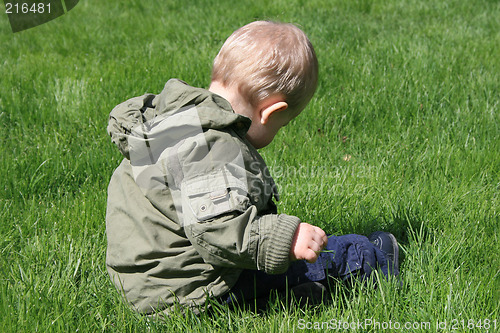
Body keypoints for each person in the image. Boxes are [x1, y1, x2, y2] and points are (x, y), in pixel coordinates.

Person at [105, 21, 399, 315]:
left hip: (144, 283)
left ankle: (285, 298)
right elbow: (218, 230)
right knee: (341, 254)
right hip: (190, 294)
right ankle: (376, 260)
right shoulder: (211, 149)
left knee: (280, 279)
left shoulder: (171, 123)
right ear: (272, 112)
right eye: (283, 125)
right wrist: (284, 239)